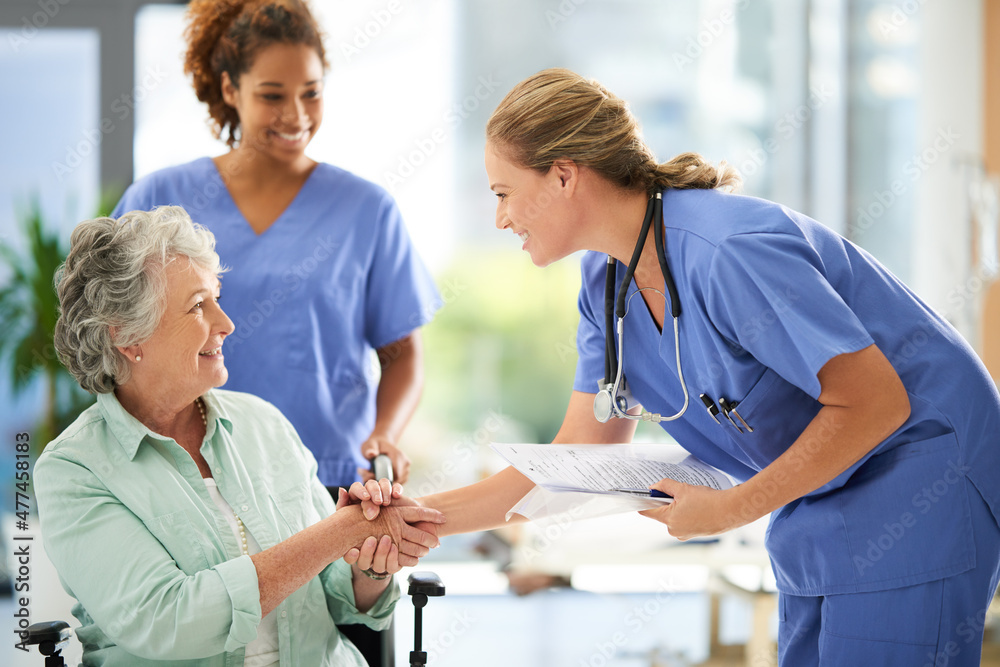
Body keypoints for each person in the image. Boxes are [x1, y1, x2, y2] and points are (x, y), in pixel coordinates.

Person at [351, 68, 1000, 665]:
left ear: (564, 175)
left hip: (922, 480)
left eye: (503, 192)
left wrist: (732, 507)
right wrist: (415, 516)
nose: (500, 218)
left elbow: (876, 402)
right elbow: (574, 458)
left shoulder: (728, 251)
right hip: (822, 509)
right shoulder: (605, 286)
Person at [35, 206, 444, 666]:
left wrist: (369, 564)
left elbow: (334, 595)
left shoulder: (263, 424)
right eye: (197, 306)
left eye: (217, 297)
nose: (226, 323)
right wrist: (341, 530)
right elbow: (170, 622)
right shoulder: (74, 470)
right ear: (129, 337)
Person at [112, 0, 439, 490]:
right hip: (186, 477)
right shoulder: (159, 199)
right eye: (272, 96)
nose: (296, 115)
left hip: (325, 482)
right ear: (230, 89)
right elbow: (113, 335)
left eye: (311, 93)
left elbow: (402, 353)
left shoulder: (366, 210)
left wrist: (386, 434)